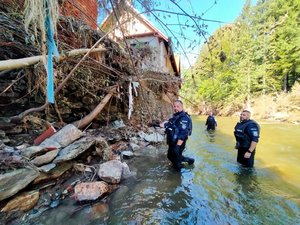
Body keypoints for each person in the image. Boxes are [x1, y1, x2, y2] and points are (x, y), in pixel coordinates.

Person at [160, 99, 194, 170]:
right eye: (174, 106)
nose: (175, 108)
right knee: (170, 156)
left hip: (178, 143)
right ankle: (188, 160)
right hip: (172, 141)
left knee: (176, 162)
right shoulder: (176, 116)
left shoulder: (184, 118)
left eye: (178, 106)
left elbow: (183, 133)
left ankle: (177, 175)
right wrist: (160, 124)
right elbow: (170, 124)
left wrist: (178, 146)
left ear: (182, 107)